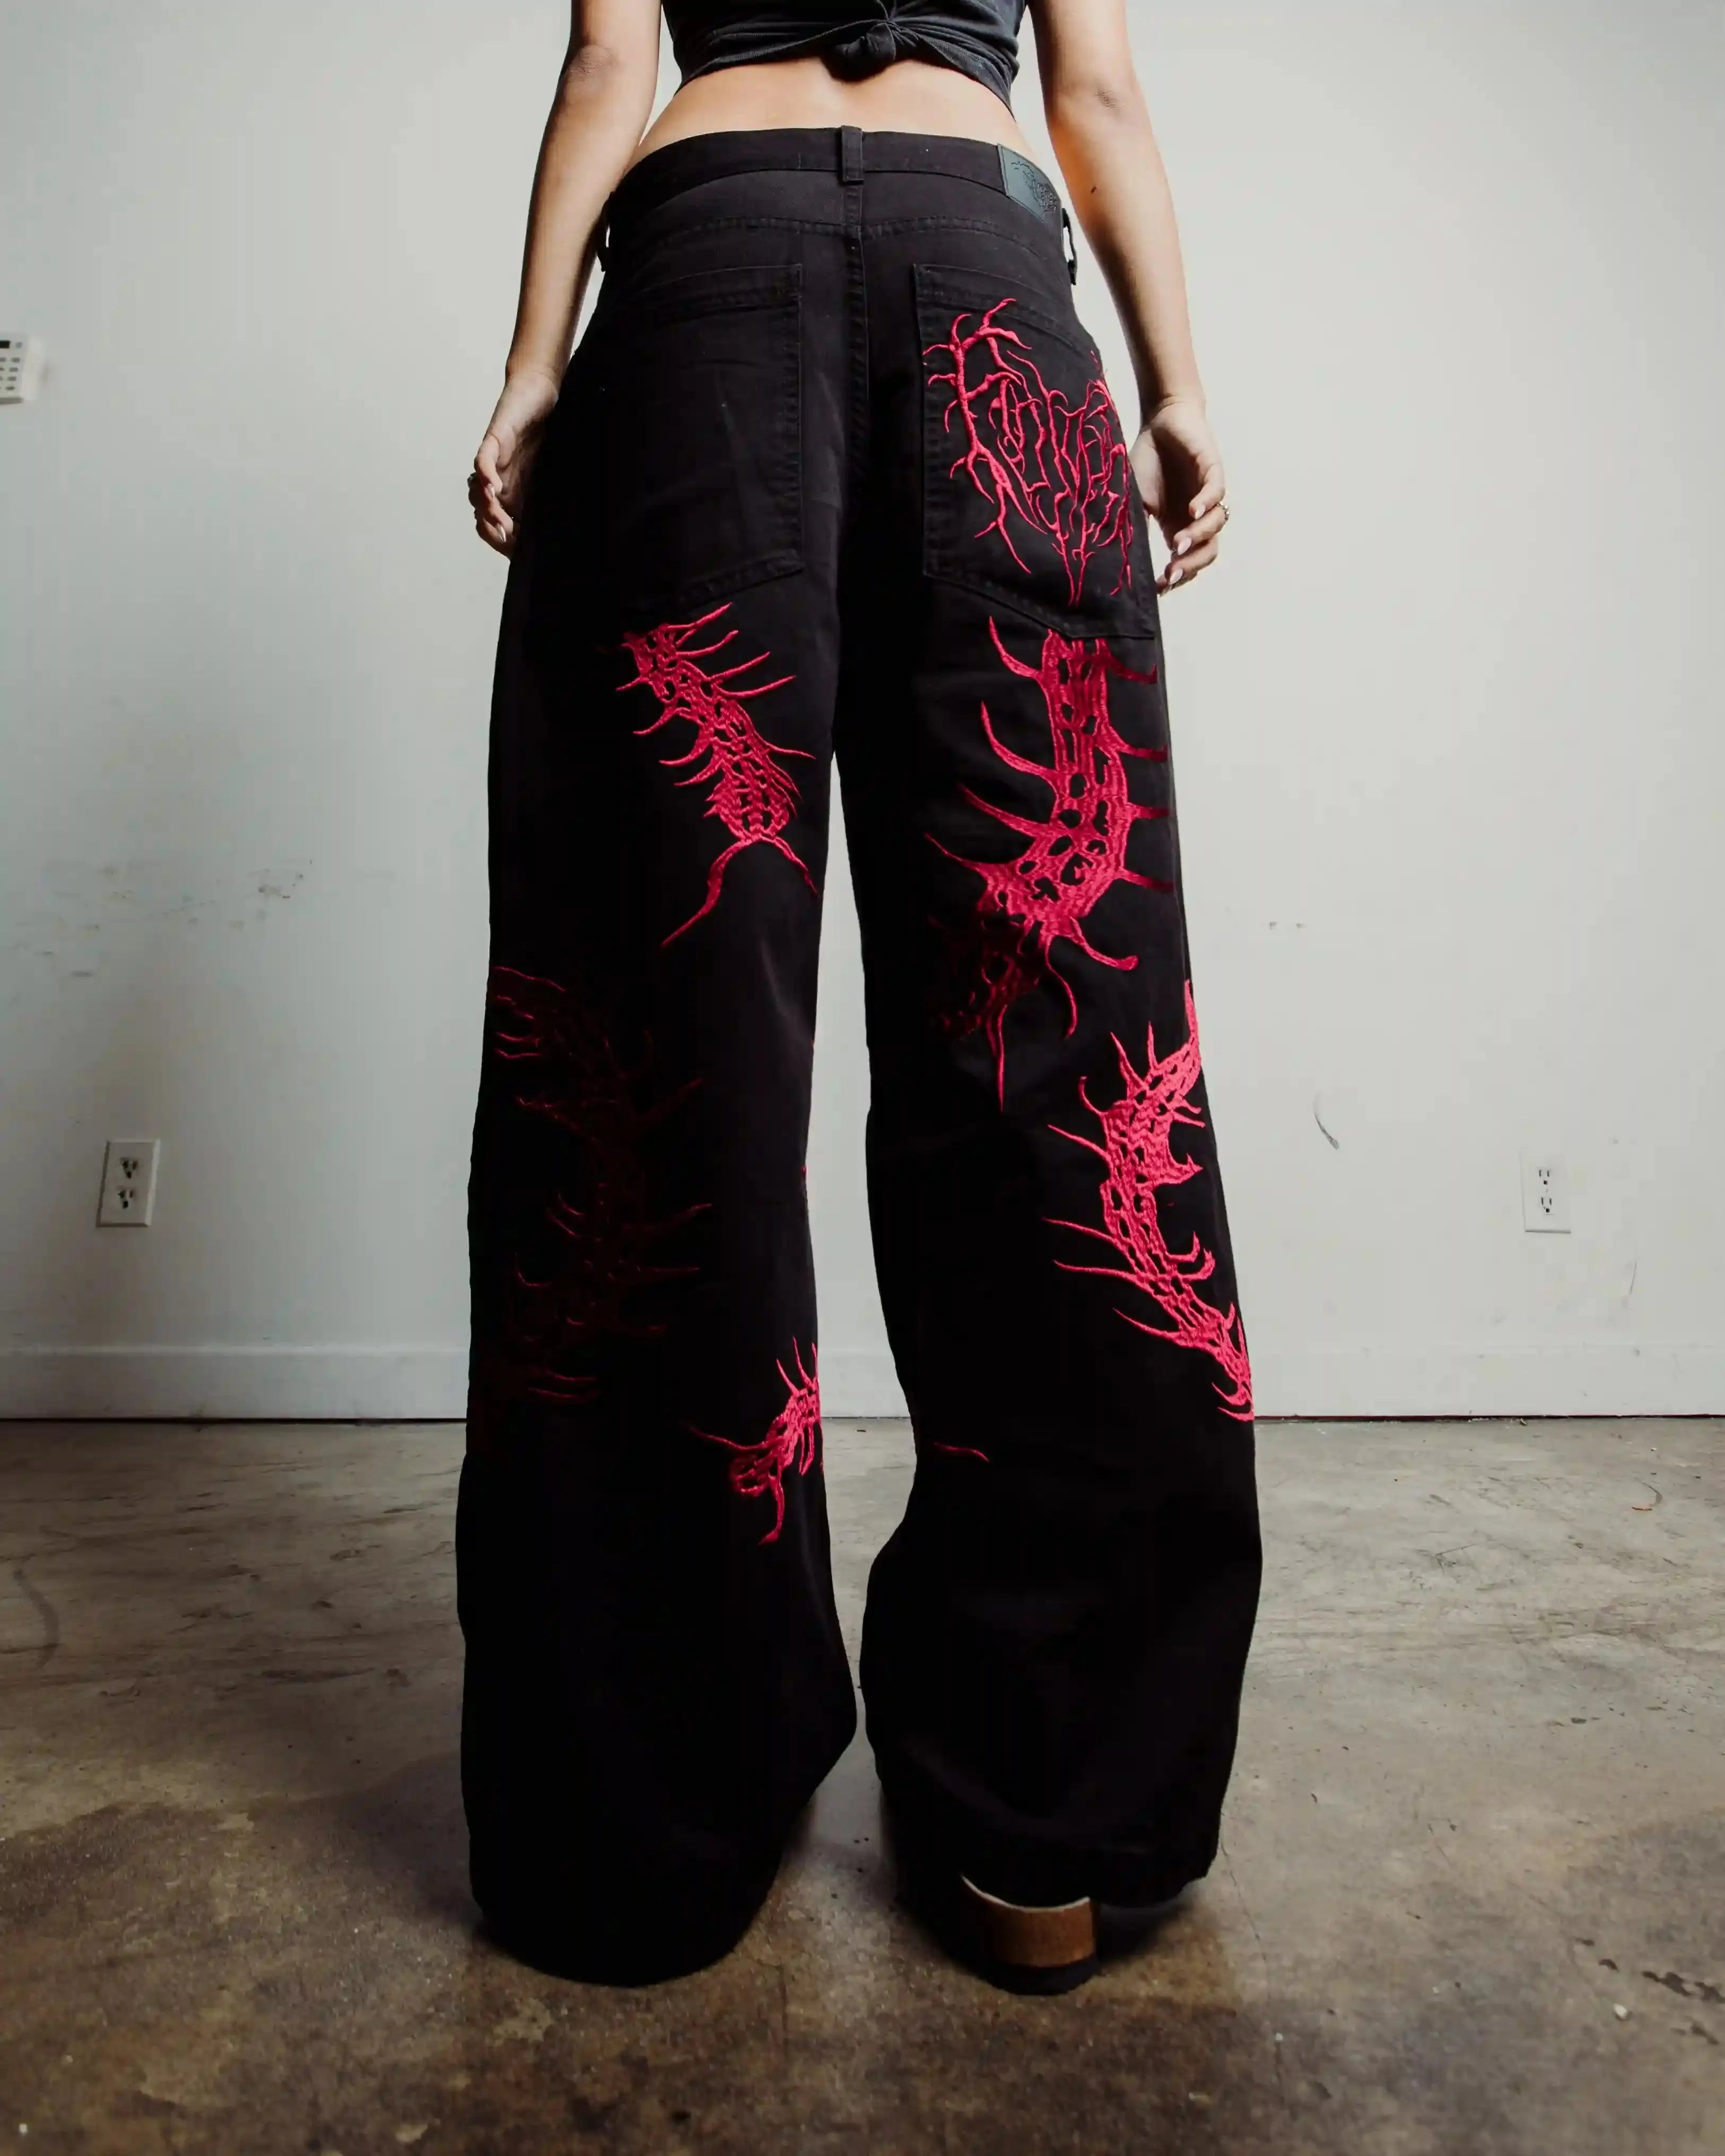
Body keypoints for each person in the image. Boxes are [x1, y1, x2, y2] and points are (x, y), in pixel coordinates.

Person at [458, 0, 1260, 1996]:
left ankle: (645, 1824)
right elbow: (1093, 86)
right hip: (988, 272)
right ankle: (1045, 1816)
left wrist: (535, 362)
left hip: (699, 286)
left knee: (663, 1032)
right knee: (1056, 1033)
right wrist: (1176, 383)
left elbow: (607, 64)